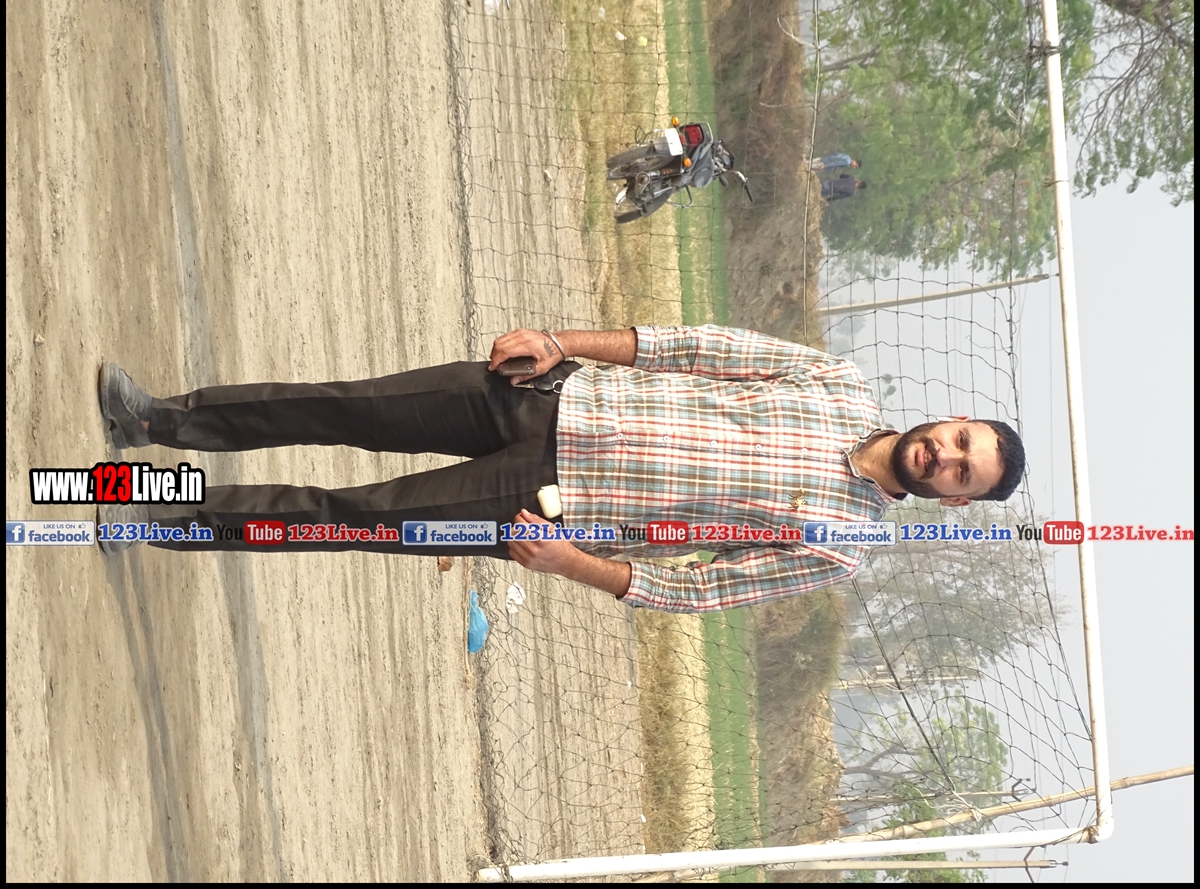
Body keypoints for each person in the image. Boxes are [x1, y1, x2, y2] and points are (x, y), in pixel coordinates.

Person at [97, 325, 1025, 613]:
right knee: (341, 405)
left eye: (961, 474)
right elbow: (690, 347)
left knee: (348, 514)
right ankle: (153, 421)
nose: (945, 456)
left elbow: (696, 592)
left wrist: (572, 562)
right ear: (950, 418)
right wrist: (558, 341)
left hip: (543, 508)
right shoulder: (835, 380)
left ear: (953, 501)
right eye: (959, 440)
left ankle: (150, 514)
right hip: (547, 398)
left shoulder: (841, 546)